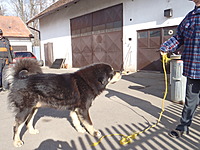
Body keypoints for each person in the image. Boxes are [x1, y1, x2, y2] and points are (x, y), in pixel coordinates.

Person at [160, 0, 200, 138]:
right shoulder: (189, 17)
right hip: (194, 68)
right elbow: (179, 37)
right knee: (190, 101)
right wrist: (165, 48)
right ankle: (183, 127)